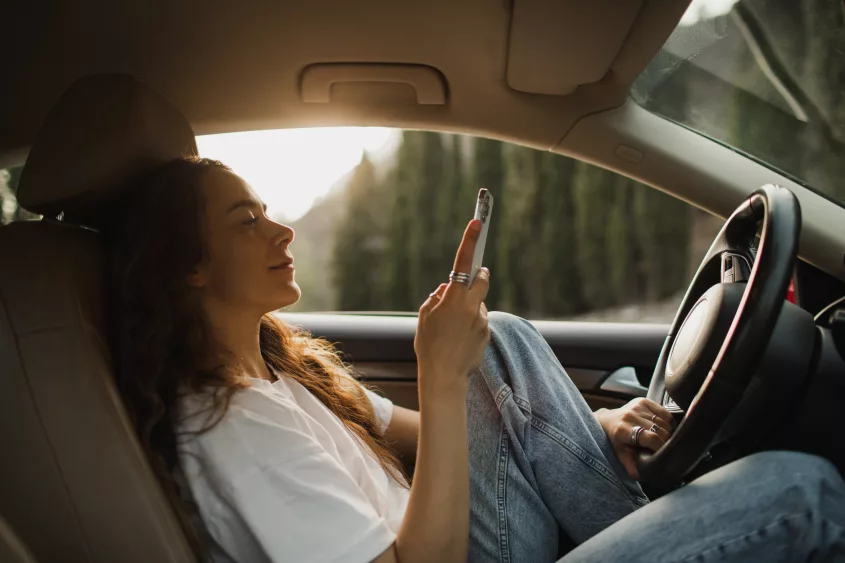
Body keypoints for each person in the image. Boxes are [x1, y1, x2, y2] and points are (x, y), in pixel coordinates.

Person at [103, 156, 845, 563]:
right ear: (189, 265)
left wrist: (591, 427)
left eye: (267, 210)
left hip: (467, 540)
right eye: (247, 220)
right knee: (802, 485)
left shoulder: (275, 373)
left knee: (508, 337)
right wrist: (441, 370)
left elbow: (442, 433)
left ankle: (636, 512)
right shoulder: (232, 430)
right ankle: (647, 520)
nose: (282, 229)